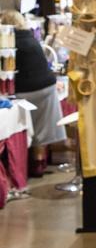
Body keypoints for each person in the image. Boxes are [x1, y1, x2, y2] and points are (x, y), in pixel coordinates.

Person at [2, 11, 66, 176]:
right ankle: (39, 162)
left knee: (25, 127)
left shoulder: (7, 40)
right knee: (41, 128)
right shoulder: (31, 38)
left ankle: (24, 166)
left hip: (25, 91)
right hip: (46, 87)